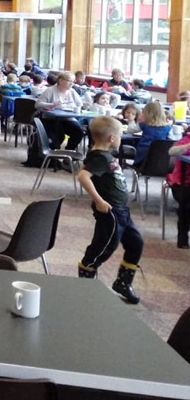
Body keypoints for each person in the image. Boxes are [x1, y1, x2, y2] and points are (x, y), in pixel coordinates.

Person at [77, 116, 143, 304]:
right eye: (120, 136)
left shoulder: (101, 155)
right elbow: (83, 176)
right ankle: (85, 285)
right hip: (111, 212)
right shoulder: (100, 157)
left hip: (122, 211)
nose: (120, 139)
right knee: (102, 248)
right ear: (112, 138)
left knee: (135, 243)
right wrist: (98, 201)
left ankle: (123, 283)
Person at [36, 71, 85, 151]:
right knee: (57, 136)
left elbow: (80, 104)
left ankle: (69, 150)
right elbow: (37, 104)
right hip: (50, 119)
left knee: (78, 132)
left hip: (67, 118)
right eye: (69, 81)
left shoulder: (72, 91)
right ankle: (53, 154)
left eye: (73, 82)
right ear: (61, 81)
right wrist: (52, 104)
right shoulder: (50, 90)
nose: (71, 84)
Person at [132, 100, 172, 166]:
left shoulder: (144, 125)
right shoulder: (168, 128)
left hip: (142, 157)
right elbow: (171, 140)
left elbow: (131, 130)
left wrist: (131, 121)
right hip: (159, 158)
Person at [168, 132, 190, 248]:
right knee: (187, 205)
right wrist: (188, 146)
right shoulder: (187, 138)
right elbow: (171, 151)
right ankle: (183, 239)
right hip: (182, 185)